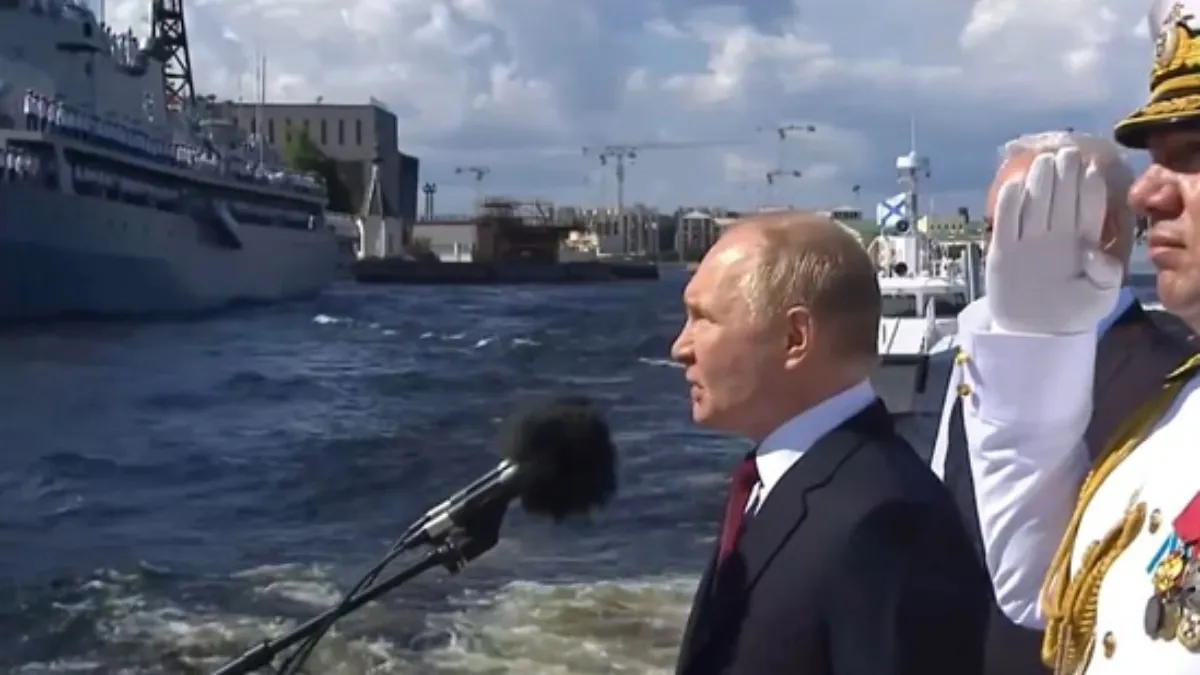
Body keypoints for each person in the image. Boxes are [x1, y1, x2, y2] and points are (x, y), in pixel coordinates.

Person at [958, 2, 1200, 671]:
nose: (1147, 195)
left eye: (1193, 155)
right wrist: (1036, 345)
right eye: (1154, 160)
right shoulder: (1173, 415)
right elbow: (1038, 585)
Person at [670, 211, 991, 675]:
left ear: (795, 337)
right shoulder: (773, 486)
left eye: (703, 318)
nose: (680, 348)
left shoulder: (889, 520)